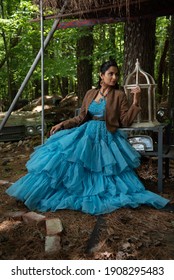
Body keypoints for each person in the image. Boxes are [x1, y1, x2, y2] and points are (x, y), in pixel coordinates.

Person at [6, 59, 170, 215]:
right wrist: (63, 124)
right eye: (110, 74)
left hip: (107, 135)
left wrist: (136, 101)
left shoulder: (119, 95)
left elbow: (125, 120)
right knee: (64, 158)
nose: (114, 77)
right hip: (86, 132)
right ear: (101, 75)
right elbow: (81, 118)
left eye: (116, 74)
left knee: (104, 171)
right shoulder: (90, 93)